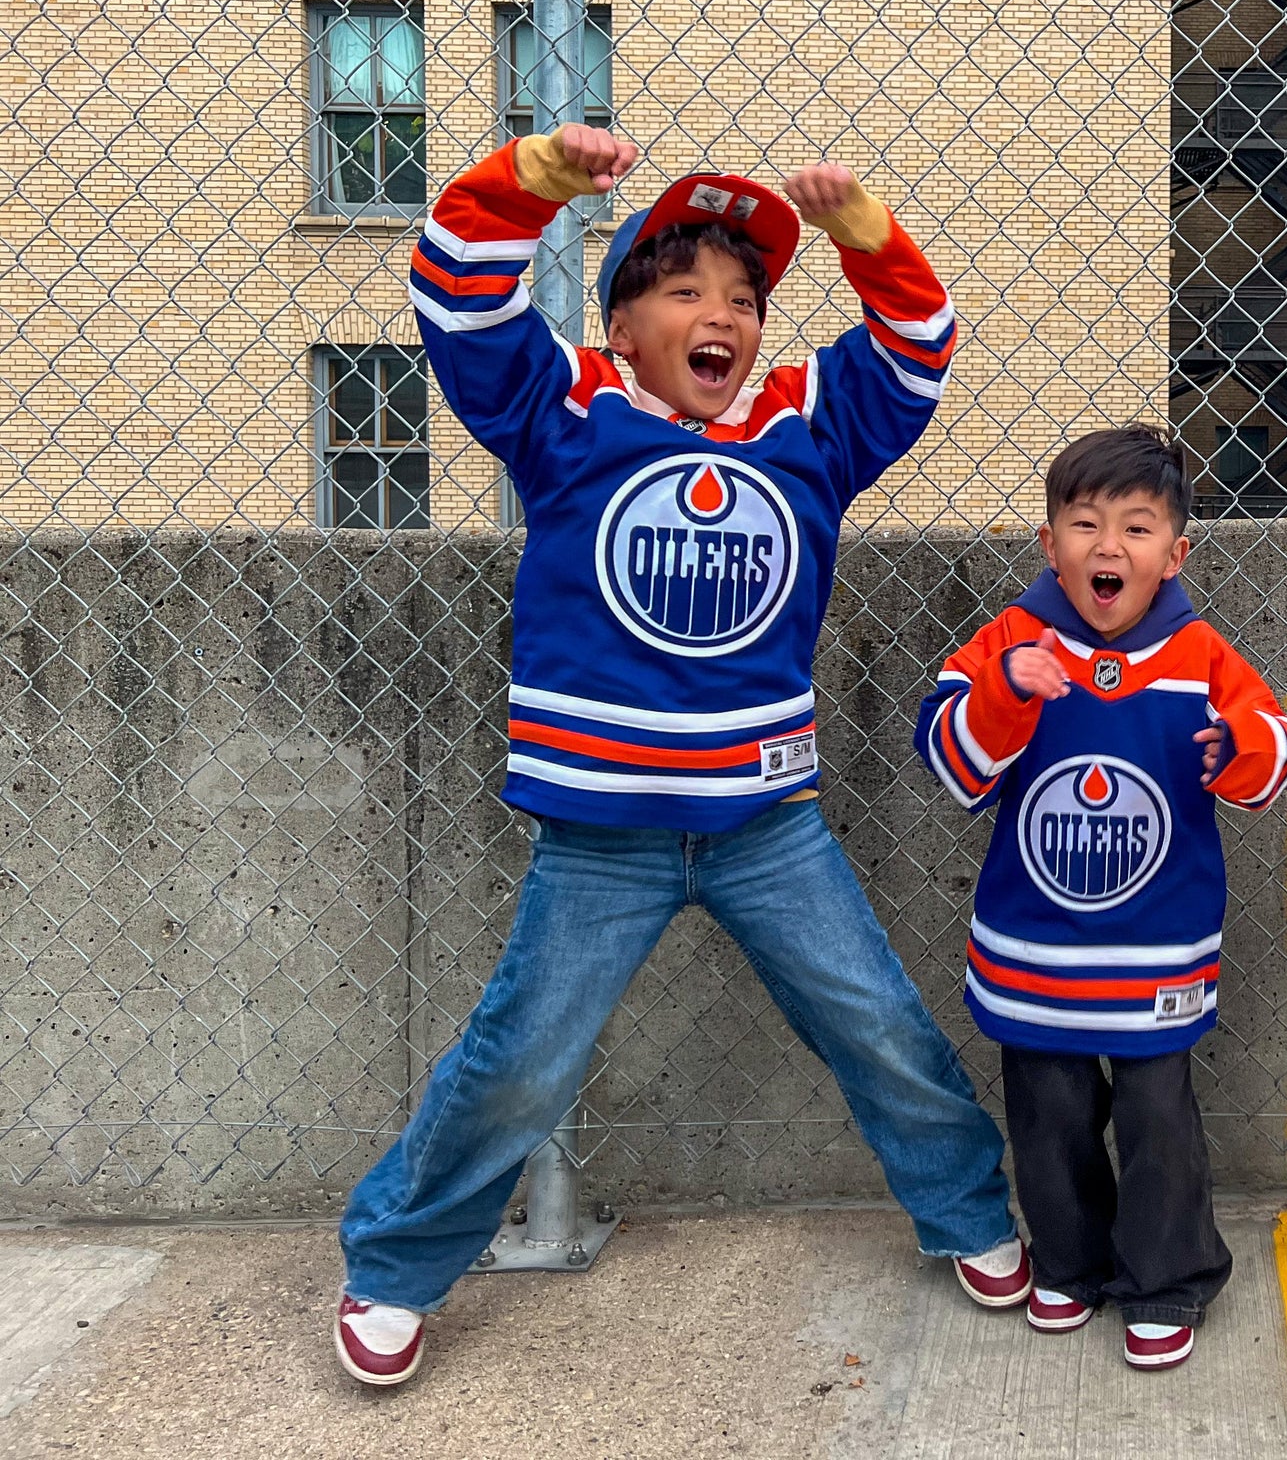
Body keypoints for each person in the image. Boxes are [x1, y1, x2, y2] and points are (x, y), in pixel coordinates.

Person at [334, 123, 1030, 1389]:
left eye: (747, 298)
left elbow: (919, 354)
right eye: (684, 288)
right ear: (621, 326)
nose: (724, 314)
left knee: (875, 1021)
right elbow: (454, 291)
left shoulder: (807, 425)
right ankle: (391, 1266)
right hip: (604, 839)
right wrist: (534, 180)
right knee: (519, 1060)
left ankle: (971, 1213)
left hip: (770, 824)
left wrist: (865, 233)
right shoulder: (566, 414)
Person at [913, 426, 1287, 1372]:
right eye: (1084, 523)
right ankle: (1069, 1264)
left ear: (1174, 553)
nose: (1108, 547)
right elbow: (952, 762)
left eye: (1136, 528)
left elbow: (1280, 743)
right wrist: (1007, 694)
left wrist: (1244, 752)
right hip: (1034, 948)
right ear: (1048, 543)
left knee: (1157, 1119)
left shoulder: (1199, 652)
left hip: (1156, 951)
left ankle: (1166, 1278)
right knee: (1047, 1117)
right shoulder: (1008, 641)